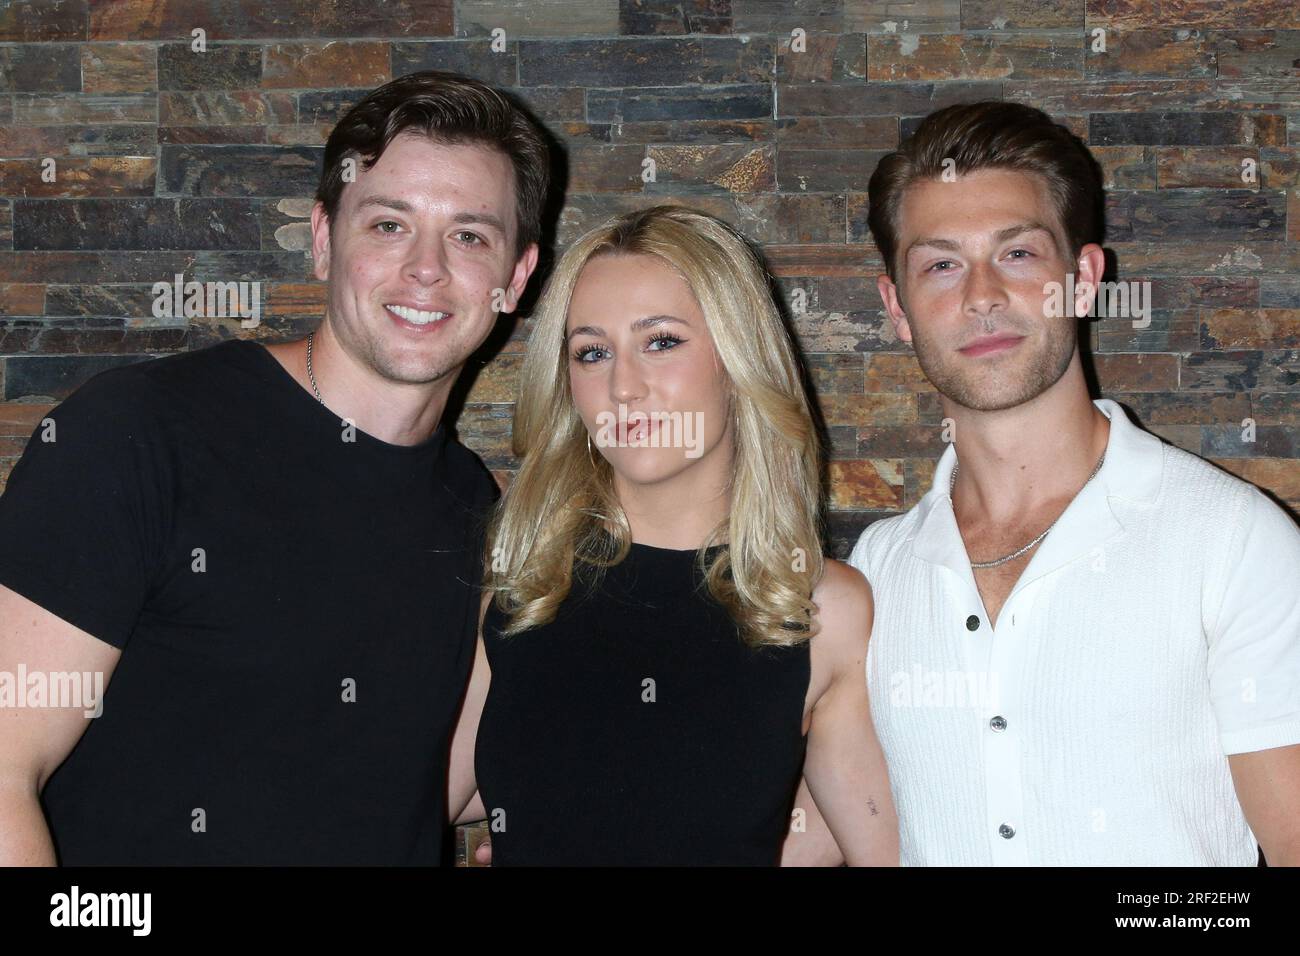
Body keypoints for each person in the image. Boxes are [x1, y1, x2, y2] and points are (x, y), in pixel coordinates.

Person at [0, 70, 547, 865]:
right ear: (324, 237)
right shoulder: (141, 433)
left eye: (469, 235)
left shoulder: (475, 506)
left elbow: (426, 788)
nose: (426, 267)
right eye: (389, 224)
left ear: (515, 278)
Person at [796, 100, 1300, 865]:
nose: (981, 295)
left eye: (1019, 254)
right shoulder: (874, 575)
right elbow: (821, 828)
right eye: (941, 264)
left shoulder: (1233, 542)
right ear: (897, 309)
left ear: (1085, 278)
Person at [445, 205, 899, 866]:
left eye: (661, 341)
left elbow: (876, 844)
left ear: (736, 356)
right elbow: (402, 805)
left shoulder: (823, 608)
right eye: (591, 352)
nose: (624, 387)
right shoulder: (523, 589)